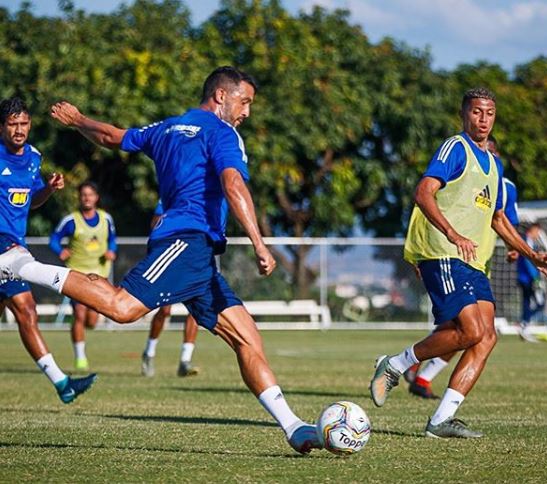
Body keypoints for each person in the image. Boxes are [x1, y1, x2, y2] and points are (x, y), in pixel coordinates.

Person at [0, 67, 322, 454]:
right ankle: (21, 266)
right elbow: (233, 183)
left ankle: (294, 426)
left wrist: (78, 119)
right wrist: (260, 243)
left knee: (248, 339)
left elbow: (111, 137)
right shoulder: (222, 133)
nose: (247, 112)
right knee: (122, 308)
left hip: (200, 258)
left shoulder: (167, 128)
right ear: (221, 96)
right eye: (245, 101)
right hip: (184, 241)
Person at [369, 87, 547, 438]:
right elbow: (423, 192)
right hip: (443, 251)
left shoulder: (495, 164)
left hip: (472, 261)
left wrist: (534, 255)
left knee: (485, 338)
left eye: (489, 112)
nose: (483, 119)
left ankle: (440, 420)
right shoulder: (455, 148)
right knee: (470, 331)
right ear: (464, 114)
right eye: (476, 112)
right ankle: (395, 365)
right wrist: (453, 233)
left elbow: (499, 219)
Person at [405, 135, 520, 399]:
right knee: (467, 328)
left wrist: (520, 248)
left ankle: (419, 374)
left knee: (478, 333)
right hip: (449, 256)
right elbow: (423, 206)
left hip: (480, 262)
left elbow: (504, 220)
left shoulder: (504, 185)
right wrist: (417, 254)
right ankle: (407, 364)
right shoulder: (454, 163)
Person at [0, 96, 96, 403]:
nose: (19, 130)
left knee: (26, 313)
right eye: (12, 124)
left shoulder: (33, 157)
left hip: (16, 244)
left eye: (24, 123)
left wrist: (48, 190)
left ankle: (63, 384)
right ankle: (62, 383)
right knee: (27, 309)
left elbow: (31, 200)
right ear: (1, 127)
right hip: (5, 247)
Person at [49, 181, 117, 370]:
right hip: (77, 274)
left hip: (99, 274)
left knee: (92, 320)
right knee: (79, 313)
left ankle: (84, 332)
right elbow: (53, 239)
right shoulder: (71, 220)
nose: (87, 198)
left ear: (97, 197)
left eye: (91, 194)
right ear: (79, 197)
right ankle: (80, 358)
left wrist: (112, 251)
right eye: (83, 194)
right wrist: (60, 250)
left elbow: (112, 240)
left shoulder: (106, 219)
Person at [141, 201, 200, 378]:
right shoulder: (170, 196)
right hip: (171, 256)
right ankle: (149, 353)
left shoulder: (204, 196)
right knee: (165, 310)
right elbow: (155, 224)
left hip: (193, 258)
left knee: (196, 309)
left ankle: (185, 360)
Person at [517, 223, 545, 342]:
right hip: (527, 278)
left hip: (528, 278)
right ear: (532, 230)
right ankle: (524, 324)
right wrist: (536, 278)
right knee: (539, 303)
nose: (538, 234)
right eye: (537, 231)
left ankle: (524, 325)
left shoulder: (532, 243)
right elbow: (529, 262)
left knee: (529, 303)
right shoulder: (525, 241)